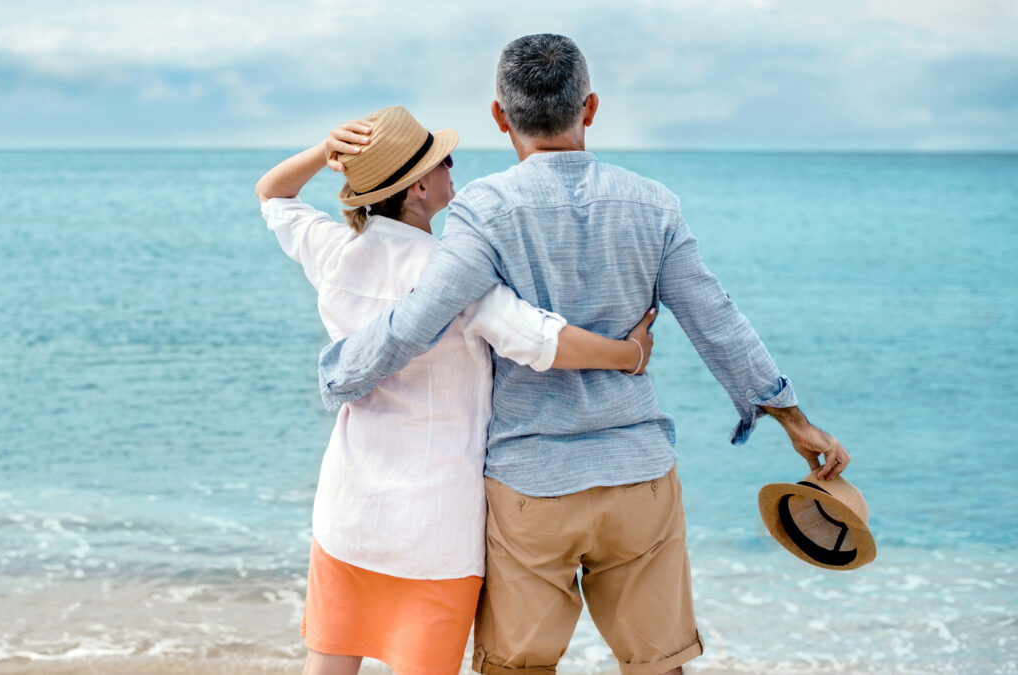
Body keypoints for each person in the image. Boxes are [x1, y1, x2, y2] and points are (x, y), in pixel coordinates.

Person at [316, 35, 852, 675]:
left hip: (529, 486)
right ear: (590, 107)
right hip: (638, 476)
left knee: (517, 667)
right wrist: (791, 416)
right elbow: (715, 316)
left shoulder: (482, 210)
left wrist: (342, 373)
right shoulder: (653, 204)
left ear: (499, 117)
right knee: (659, 664)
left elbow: (417, 322)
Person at [255, 105, 656, 675]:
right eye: (446, 161)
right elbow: (542, 341)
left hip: (349, 513)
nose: (452, 169)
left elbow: (273, 195)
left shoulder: (336, 254)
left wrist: (326, 153)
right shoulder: (454, 273)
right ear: (420, 187)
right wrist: (629, 354)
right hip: (435, 529)